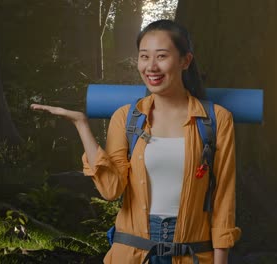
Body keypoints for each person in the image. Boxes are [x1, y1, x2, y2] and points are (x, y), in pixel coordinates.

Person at [31, 19, 240, 264]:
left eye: (161, 56)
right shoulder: (127, 118)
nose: (151, 67)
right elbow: (110, 190)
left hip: (192, 253)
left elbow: (224, 196)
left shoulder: (216, 120)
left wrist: (221, 259)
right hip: (131, 253)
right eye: (144, 56)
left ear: (185, 61)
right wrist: (82, 125)